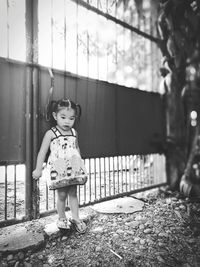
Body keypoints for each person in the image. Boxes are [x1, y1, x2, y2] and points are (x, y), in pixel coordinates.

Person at [32, 99, 87, 233]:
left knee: (73, 193)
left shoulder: (74, 132)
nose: (67, 121)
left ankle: (76, 218)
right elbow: (42, 152)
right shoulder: (51, 133)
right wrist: (38, 169)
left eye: (71, 118)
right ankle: (62, 218)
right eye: (63, 117)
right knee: (62, 195)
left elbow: (76, 149)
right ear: (55, 116)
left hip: (74, 170)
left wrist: (80, 165)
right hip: (60, 170)